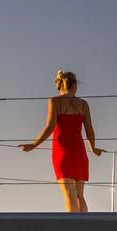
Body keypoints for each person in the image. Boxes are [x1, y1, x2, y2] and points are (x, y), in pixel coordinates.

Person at [19, 70, 105, 212]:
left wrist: (33, 145)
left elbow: (49, 127)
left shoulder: (55, 101)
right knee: (80, 196)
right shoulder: (83, 104)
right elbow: (89, 129)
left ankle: (72, 225)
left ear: (59, 86)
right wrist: (93, 148)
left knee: (70, 196)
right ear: (74, 85)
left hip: (62, 151)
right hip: (79, 152)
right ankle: (84, 223)